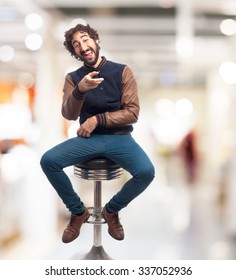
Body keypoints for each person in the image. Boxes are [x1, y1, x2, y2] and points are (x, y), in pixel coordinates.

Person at [40, 23, 155, 243]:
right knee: (48, 161)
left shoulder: (122, 71)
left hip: (120, 138)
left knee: (146, 172)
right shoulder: (73, 78)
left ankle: (112, 210)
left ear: (96, 40)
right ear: (75, 53)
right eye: (76, 45)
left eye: (85, 39)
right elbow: (69, 114)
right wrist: (80, 90)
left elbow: (132, 113)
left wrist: (98, 119)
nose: (82, 46)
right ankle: (77, 211)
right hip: (88, 140)